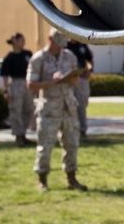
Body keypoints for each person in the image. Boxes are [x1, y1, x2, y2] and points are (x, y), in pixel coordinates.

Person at [26, 28, 87, 192]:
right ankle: (42, 181)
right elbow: (30, 84)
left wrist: (73, 79)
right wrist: (51, 82)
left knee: (72, 144)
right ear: (49, 39)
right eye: (58, 44)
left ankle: (71, 179)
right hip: (49, 109)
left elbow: (76, 82)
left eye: (62, 44)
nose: (60, 47)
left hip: (68, 107)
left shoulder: (69, 56)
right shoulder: (38, 59)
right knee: (45, 145)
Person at [0, 32, 35, 146]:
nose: (23, 42)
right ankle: (18, 136)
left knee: (28, 109)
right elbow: (5, 76)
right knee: (16, 110)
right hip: (16, 84)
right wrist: (5, 91)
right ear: (14, 41)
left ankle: (23, 134)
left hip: (27, 83)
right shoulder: (9, 58)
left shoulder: (27, 54)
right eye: (21, 40)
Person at [66, 38, 94, 137]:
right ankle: (77, 130)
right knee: (73, 105)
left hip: (82, 79)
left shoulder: (82, 46)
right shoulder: (65, 46)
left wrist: (90, 70)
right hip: (69, 80)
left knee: (83, 103)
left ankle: (81, 129)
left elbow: (90, 58)